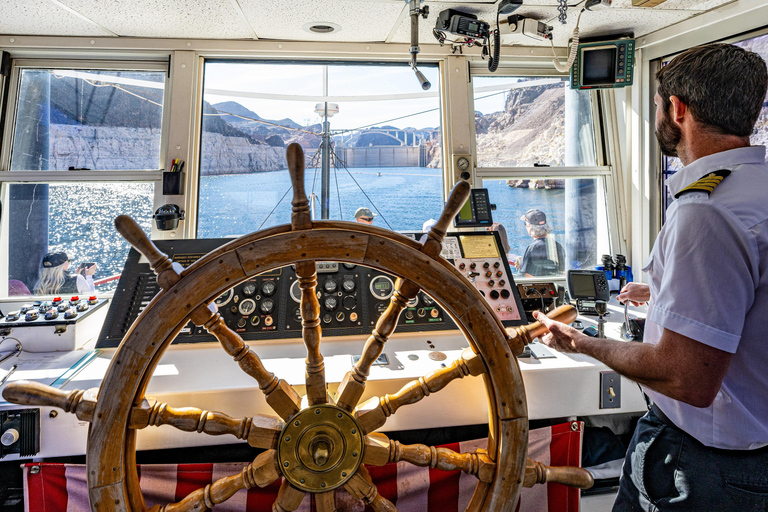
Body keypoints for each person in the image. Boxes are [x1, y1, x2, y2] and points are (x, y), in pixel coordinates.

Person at [535, 43, 768, 511]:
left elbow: (686, 380)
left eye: (658, 104)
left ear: (677, 110)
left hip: (702, 467)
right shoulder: (754, 189)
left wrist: (579, 341)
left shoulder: (707, 212)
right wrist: (663, 293)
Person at [517, 209, 565, 277]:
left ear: (530, 227)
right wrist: (522, 261)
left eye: (525, 224)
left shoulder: (533, 248)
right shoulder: (557, 246)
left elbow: (528, 277)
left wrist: (522, 265)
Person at [33, 251, 98, 295]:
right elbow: (91, 296)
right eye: (68, 261)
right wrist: (89, 276)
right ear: (63, 264)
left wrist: (77, 276)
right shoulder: (78, 279)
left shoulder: (40, 284)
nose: (69, 263)